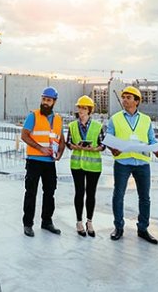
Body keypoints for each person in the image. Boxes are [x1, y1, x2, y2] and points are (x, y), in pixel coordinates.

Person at [106, 86, 158, 244]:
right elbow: (108, 138)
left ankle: (143, 229)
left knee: (145, 198)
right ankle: (118, 227)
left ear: (137, 101)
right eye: (123, 97)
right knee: (118, 196)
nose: (124, 99)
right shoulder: (115, 118)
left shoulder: (146, 120)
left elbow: (151, 140)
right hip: (123, 162)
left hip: (142, 163)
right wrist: (113, 149)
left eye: (128, 97)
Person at [20, 86, 65, 237]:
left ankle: (47, 222)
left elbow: (61, 140)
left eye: (49, 100)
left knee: (50, 192)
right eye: (44, 99)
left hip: (50, 162)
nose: (45, 102)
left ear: (54, 102)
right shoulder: (33, 116)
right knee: (31, 192)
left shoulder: (58, 119)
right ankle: (28, 224)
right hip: (34, 161)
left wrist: (59, 153)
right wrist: (40, 148)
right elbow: (24, 136)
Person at [66, 95, 105, 237]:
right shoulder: (72, 126)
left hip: (93, 166)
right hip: (77, 165)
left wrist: (94, 149)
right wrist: (74, 146)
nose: (81, 110)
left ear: (89, 110)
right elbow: (68, 143)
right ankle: (79, 222)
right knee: (79, 192)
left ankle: (89, 221)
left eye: (84, 108)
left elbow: (103, 145)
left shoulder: (97, 126)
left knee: (91, 193)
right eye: (79, 108)